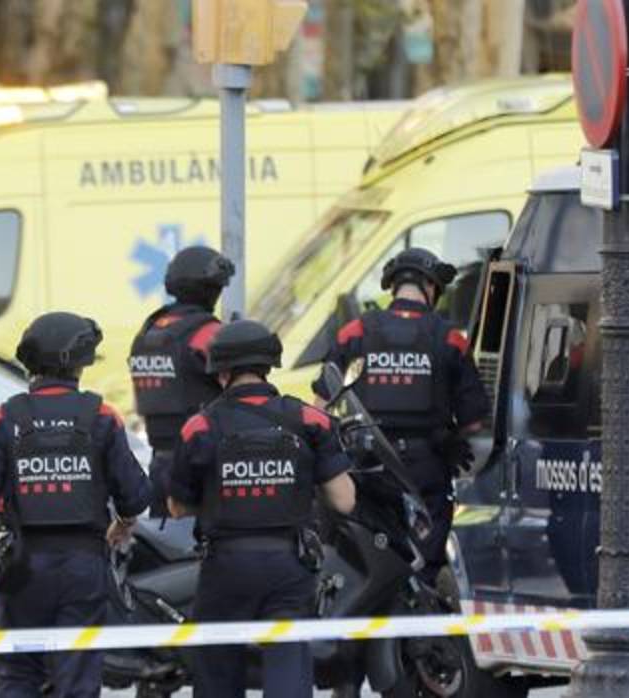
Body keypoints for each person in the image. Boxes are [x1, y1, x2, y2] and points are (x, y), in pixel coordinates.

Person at [0, 312, 151, 698]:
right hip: (83, 566)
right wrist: (122, 524)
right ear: (78, 363)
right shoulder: (101, 415)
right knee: (78, 677)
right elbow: (135, 495)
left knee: (18, 674)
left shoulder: (5, 416)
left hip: (23, 564)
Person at [167, 319, 356, 698]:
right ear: (269, 365)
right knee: (288, 665)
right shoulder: (309, 420)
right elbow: (345, 500)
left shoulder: (200, 427)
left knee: (217, 672)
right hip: (289, 566)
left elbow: (176, 508)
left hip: (225, 568)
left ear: (220, 371)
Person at [312, 247, 489, 585]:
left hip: (367, 468)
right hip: (426, 468)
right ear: (431, 286)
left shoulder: (355, 332)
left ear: (393, 286)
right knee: (424, 564)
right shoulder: (449, 337)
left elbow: (320, 404)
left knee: (370, 556)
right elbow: (473, 422)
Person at [129, 245, 234, 517]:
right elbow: (244, 389)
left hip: (161, 462)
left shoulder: (150, 330)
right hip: (204, 463)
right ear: (212, 287)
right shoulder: (208, 333)